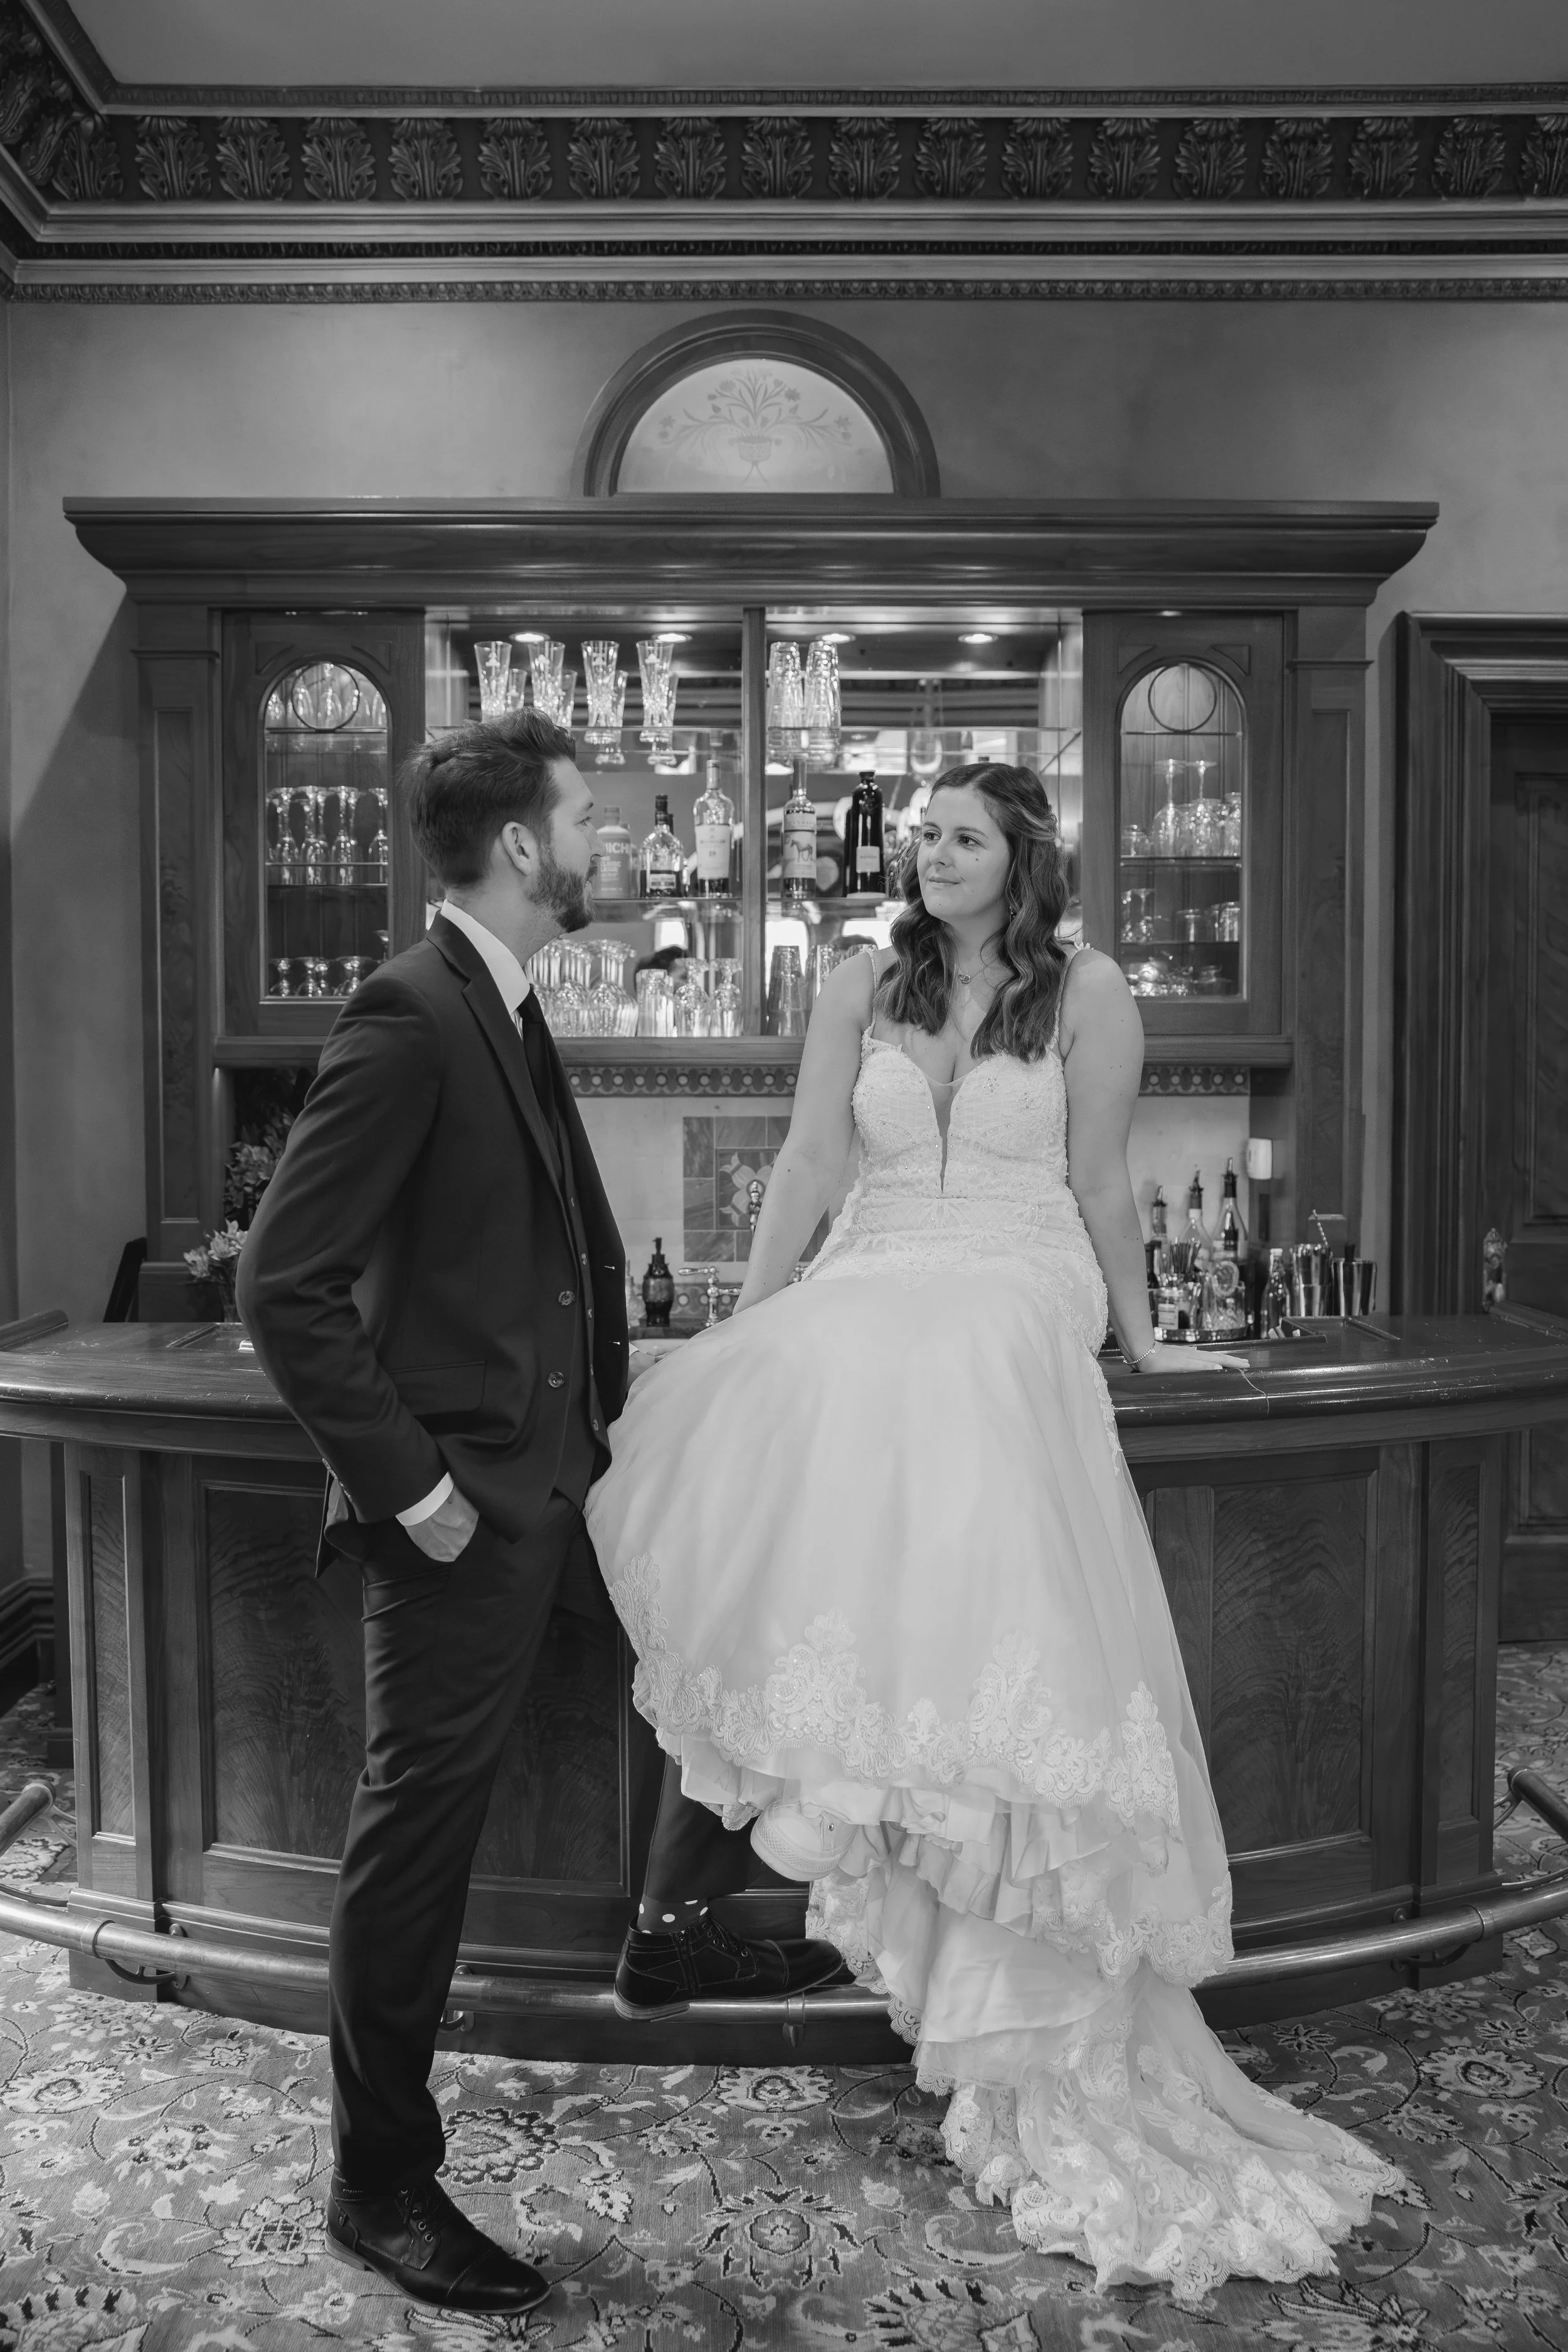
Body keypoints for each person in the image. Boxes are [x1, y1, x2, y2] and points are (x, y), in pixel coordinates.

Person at [586, 762, 1408, 2305]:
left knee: (957, 1356)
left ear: (1024, 855)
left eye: (961, 835)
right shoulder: (857, 979)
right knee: (825, 1415)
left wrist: (1149, 1341)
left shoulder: (1089, 991)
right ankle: (771, 1874)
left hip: (1019, 1285)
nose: (931, 853)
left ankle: (940, 1915)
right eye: (919, 836)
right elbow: (816, 1166)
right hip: (874, 1271)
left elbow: (1100, 1179)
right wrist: (746, 1327)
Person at [238, 711, 842, 2319]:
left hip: (547, 1487)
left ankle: (674, 1932)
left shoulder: (497, 1000)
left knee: (704, 1663)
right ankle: (378, 2182)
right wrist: (414, 1488)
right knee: (413, 1842)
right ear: (520, 847)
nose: (606, 840)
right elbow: (281, 1284)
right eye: (585, 815)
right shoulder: (411, 1011)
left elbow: (535, 1256)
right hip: (457, 1513)